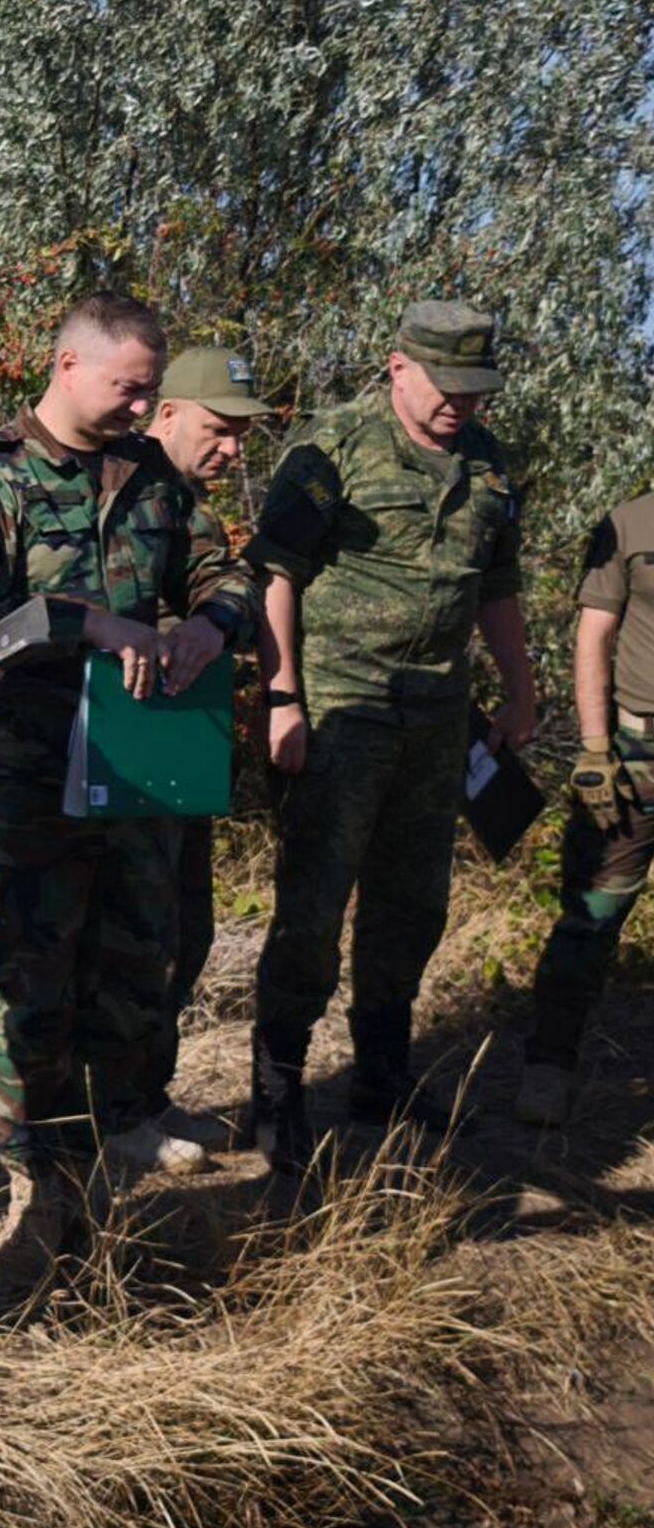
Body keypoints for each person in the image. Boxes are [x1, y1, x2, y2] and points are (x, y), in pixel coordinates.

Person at [0, 295, 260, 1224]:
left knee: (135, 956)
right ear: (69, 366)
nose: (142, 406)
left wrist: (210, 622)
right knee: (30, 973)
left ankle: (124, 1118)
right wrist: (94, 625)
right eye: (129, 387)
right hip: (22, 767)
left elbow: (224, 569)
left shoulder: (151, 474)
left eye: (151, 391)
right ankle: (31, 1167)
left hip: (137, 751)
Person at [249, 299, 534, 1175]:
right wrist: (282, 697)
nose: (460, 403)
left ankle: (382, 1073)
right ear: (398, 366)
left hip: (439, 717)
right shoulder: (334, 448)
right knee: (313, 906)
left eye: (475, 389)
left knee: (412, 906)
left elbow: (496, 587)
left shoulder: (486, 462)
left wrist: (520, 689)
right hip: (344, 707)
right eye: (446, 385)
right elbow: (276, 573)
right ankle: (278, 1088)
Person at [139, 347, 275, 1148]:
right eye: (218, 430)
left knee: (183, 931)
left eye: (241, 438)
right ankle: (100, 1112)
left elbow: (235, 583)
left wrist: (213, 622)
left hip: (178, 738)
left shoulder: (190, 507)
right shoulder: (114, 483)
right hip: (110, 744)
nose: (231, 450)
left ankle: (143, 1098)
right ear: (167, 413)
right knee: (127, 939)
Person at [514, 493, 654, 1126]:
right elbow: (594, 633)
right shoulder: (631, 522)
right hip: (637, 754)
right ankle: (548, 1066)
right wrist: (596, 749)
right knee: (592, 915)